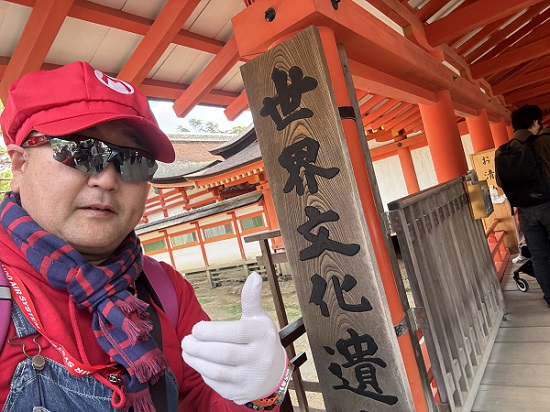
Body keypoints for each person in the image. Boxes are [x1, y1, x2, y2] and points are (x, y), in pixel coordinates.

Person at [0, 62, 289, 411]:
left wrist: (258, 391)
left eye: (133, 160)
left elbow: (202, 399)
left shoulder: (165, 288)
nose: (107, 180)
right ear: (20, 166)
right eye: (79, 151)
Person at [496, 105, 550, 305]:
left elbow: (500, 182)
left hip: (525, 211)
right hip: (547, 203)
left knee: (539, 257)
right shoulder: (543, 141)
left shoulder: (502, 151)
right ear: (535, 122)